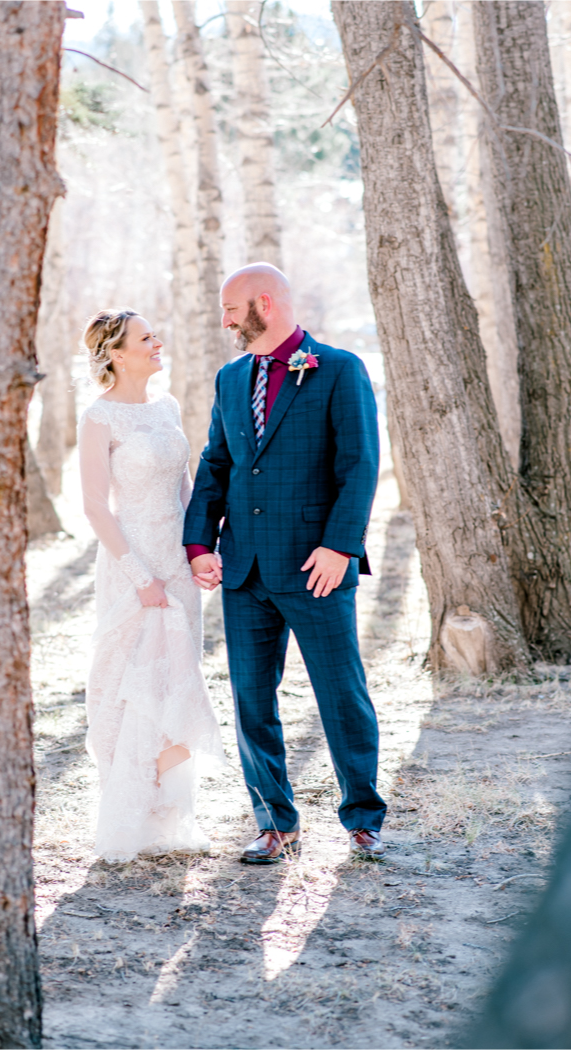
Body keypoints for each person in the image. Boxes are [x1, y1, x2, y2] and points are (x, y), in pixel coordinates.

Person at [183, 262, 385, 865]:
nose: (224, 321)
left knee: (341, 693)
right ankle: (274, 821)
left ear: (264, 304)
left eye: (230, 309)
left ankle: (363, 819)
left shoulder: (339, 370)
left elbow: (360, 464)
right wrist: (199, 544)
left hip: (315, 567)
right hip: (243, 570)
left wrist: (340, 544)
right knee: (250, 697)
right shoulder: (229, 378)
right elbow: (216, 465)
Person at [77, 310, 223, 863]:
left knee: (175, 675)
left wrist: (200, 552)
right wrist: (140, 578)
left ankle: (171, 814)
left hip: (177, 562)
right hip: (129, 563)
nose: (158, 341)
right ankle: (130, 813)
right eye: (145, 338)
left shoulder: (167, 408)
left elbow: (185, 488)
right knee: (128, 678)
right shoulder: (99, 418)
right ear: (116, 353)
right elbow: (95, 506)